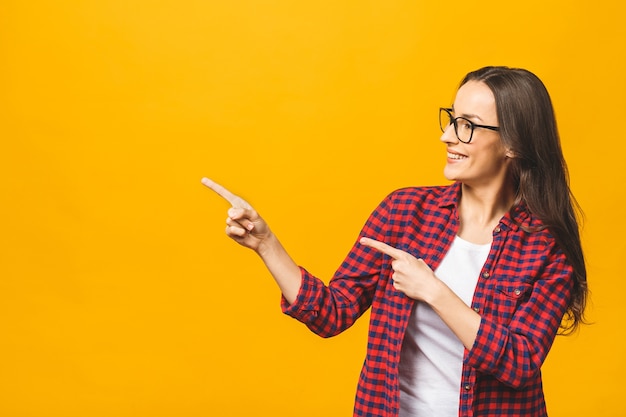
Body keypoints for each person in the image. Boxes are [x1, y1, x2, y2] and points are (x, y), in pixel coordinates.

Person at [201, 66, 588, 417]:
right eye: (451, 119)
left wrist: (434, 291)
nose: (447, 135)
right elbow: (331, 313)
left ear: (513, 144)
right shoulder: (404, 212)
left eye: (467, 125)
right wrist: (266, 244)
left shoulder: (546, 245)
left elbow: (519, 363)